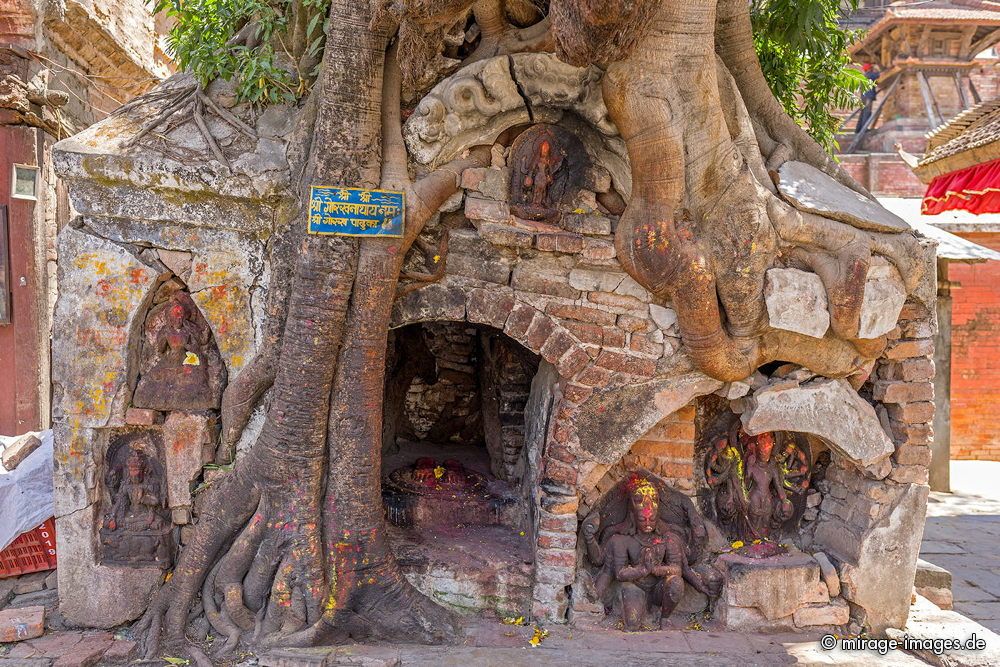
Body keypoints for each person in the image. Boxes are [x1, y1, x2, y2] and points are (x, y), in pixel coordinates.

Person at [855, 63, 881, 133]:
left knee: (863, 113)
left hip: (863, 97)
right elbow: (879, 75)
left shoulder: (865, 75)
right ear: (869, 69)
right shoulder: (870, 75)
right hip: (868, 97)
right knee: (867, 113)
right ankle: (864, 129)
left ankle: (858, 130)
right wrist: (877, 68)